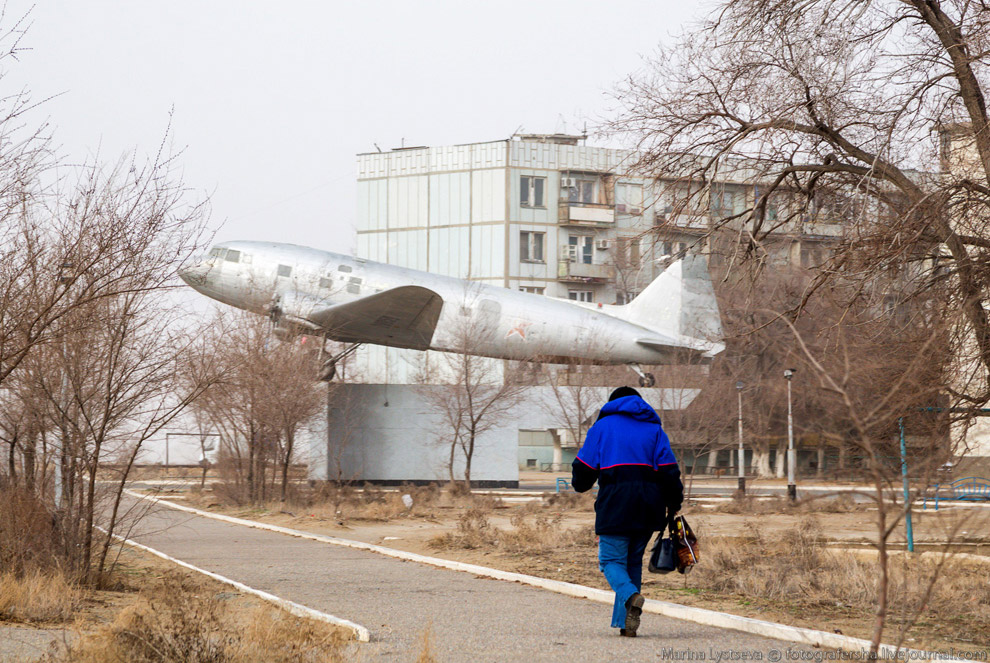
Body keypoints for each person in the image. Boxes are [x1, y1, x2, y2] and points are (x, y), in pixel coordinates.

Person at [571, 386, 684, 637]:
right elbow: (669, 471)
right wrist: (674, 502)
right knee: (632, 562)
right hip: (648, 508)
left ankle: (631, 596)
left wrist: (580, 483)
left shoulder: (602, 428)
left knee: (610, 561)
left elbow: (583, 468)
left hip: (615, 505)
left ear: (613, 403)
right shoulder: (654, 430)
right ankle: (625, 625)